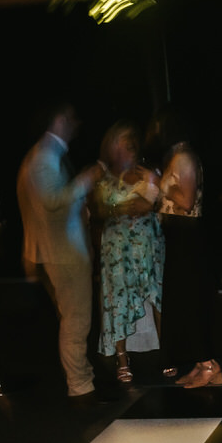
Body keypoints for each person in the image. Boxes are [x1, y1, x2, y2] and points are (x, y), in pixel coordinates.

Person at [15, 102, 101, 399]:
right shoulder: (43, 157)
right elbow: (52, 199)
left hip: (61, 251)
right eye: (69, 116)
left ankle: (83, 382)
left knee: (75, 319)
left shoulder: (47, 155)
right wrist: (85, 181)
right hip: (62, 253)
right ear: (58, 119)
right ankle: (80, 388)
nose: (74, 122)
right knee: (76, 321)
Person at [147, 111, 220, 388]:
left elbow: (187, 201)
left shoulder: (183, 157)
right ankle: (203, 364)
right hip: (180, 236)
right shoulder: (178, 156)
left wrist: (157, 185)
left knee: (190, 303)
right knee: (185, 303)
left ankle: (209, 366)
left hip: (187, 237)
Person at [92, 121, 164, 384]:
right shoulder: (104, 176)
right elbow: (99, 211)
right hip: (118, 249)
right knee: (119, 300)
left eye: (131, 139)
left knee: (158, 295)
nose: (129, 144)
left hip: (149, 245)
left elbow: (163, 202)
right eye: (122, 140)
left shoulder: (148, 172)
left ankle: (167, 353)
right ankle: (122, 359)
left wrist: (151, 196)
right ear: (112, 146)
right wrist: (120, 209)